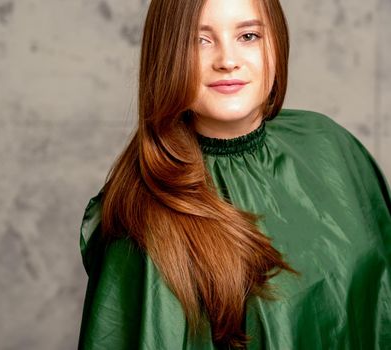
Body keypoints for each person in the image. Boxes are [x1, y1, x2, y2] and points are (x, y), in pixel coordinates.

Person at [77, 0, 391, 348]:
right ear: (167, 55)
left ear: (276, 43)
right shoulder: (142, 222)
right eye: (200, 40)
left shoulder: (331, 146)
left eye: (248, 35)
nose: (227, 61)